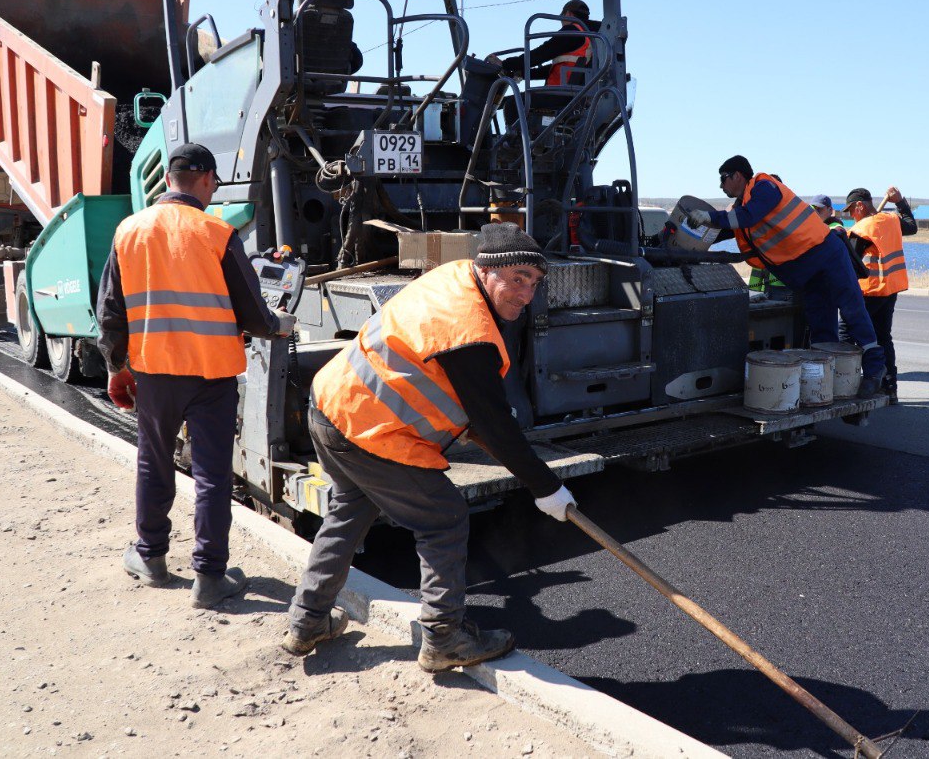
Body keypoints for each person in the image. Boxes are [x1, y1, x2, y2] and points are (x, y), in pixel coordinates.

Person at [283, 222, 577, 671]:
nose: (526, 294)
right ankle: (444, 638)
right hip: (369, 431)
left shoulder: (457, 277)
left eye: (535, 283)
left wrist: (489, 420)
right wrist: (546, 487)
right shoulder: (467, 330)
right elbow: (492, 425)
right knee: (443, 518)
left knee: (348, 512)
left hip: (331, 406)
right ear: (488, 270)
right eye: (517, 279)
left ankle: (307, 624)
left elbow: (475, 409)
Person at [96, 142, 295, 609]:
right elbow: (254, 313)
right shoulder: (216, 232)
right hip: (211, 377)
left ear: (168, 180)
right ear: (206, 180)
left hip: (154, 374)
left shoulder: (129, 230)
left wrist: (115, 366)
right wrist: (279, 325)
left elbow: (109, 311)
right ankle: (209, 578)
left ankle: (150, 558)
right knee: (211, 476)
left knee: (154, 462)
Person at [687, 156, 886, 397]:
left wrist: (711, 217)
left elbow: (748, 216)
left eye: (723, 179)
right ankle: (828, 384)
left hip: (826, 254)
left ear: (737, 175)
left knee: (853, 310)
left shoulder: (763, 186)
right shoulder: (742, 208)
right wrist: (686, 240)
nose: (721, 186)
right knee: (821, 326)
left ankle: (875, 371)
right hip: (806, 271)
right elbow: (726, 229)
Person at [842, 187, 917, 404]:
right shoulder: (891, 220)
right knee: (883, 336)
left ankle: (845, 382)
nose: (849, 216)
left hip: (869, 291)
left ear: (860, 206)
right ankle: (890, 387)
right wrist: (900, 202)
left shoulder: (861, 229)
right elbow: (911, 226)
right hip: (889, 290)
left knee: (846, 331)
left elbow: (849, 266)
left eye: (850, 211)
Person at [498, 0, 593, 85]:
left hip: (559, 92)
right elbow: (552, 69)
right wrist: (522, 73)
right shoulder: (589, 37)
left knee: (510, 103)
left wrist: (504, 64)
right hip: (571, 92)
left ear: (568, 14)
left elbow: (540, 54)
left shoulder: (571, 32)